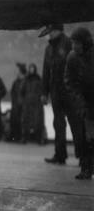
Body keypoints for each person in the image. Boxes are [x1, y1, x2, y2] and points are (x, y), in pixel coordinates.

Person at [41, 23, 83, 165]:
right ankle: (60, 155)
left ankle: (83, 157)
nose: (49, 34)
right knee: (58, 124)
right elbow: (46, 72)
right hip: (56, 92)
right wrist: (44, 93)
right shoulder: (48, 49)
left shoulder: (70, 44)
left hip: (70, 92)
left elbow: (78, 68)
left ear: (58, 30)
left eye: (51, 31)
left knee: (76, 124)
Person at [64, 27, 94, 180]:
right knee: (84, 137)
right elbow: (69, 82)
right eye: (73, 43)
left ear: (86, 43)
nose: (74, 46)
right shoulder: (72, 58)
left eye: (77, 43)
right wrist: (79, 102)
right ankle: (86, 168)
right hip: (83, 101)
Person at [20, 63, 45, 143]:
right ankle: (24, 138)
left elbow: (41, 90)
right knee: (25, 121)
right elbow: (22, 90)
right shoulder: (26, 79)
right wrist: (23, 100)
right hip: (27, 103)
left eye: (32, 68)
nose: (31, 70)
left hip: (36, 103)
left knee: (37, 121)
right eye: (30, 68)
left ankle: (39, 139)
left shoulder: (38, 79)